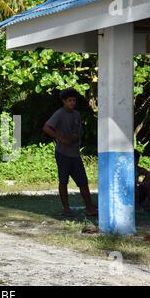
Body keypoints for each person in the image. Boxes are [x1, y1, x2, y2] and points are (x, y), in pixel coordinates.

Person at [43, 88, 97, 217]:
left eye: (74, 100)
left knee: (83, 181)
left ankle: (90, 208)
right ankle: (66, 208)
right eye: (69, 100)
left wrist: (74, 137)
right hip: (62, 153)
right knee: (63, 181)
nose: (72, 103)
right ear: (64, 101)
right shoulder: (59, 113)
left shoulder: (76, 114)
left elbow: (78, 132)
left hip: (75, 153)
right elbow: (46, 127)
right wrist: (60, 138)